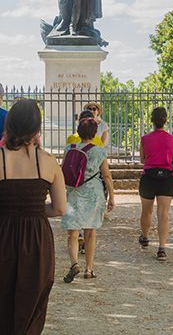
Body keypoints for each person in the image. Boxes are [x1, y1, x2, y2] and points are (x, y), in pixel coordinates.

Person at [0, 99, 66, 334]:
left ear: (9, 124)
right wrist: (31, 209)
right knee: (32, 303)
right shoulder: (48, 161)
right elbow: (60, 208)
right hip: (36, 237)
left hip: (0, 234)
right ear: (37, 128)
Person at [61, 117, 115, 281]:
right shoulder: (99, 151)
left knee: (72, 232)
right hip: (93, 192)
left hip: (73, 192)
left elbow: (63, 169)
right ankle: (89, 269)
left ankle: (74, 263)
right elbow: (106, 175)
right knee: (90, 231)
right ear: (94, 133)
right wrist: (112, 196)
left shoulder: (69, 148)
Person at [138, 106, 173, 261]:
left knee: (146, 211)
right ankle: (162, 248)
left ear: (152, 120)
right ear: (165, 120)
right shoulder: (172, 138)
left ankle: (145, 236)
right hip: (166, 177)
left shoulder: (145, 139)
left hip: (149, 176)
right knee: (163, 214)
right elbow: (172, 156)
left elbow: (142, 159)